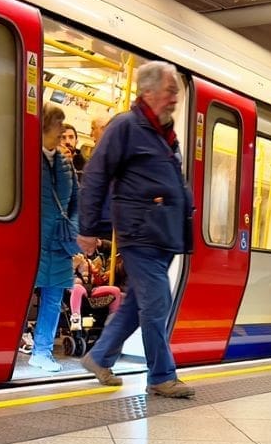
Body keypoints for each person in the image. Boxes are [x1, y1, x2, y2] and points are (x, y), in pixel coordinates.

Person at [76, 61, 195, 398]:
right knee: (157, 304)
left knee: (137, 305)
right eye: (170, 91)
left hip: (164, 236)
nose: (174, 98)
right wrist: (87, 228)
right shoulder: (126, 127)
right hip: (140, 233)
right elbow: (96, 175)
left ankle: (99, 357)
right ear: (148, 91)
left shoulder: (165, 134)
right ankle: (160, 375)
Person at [31, 104, 82, 372]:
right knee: (22, 295)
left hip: (58, 241)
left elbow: (75, 202)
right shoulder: (26, 156)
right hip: (32, 240)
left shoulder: (65, 164)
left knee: (53, 297)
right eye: (57, 128)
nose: (62, 135)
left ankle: (42, 351)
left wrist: (72, 232)